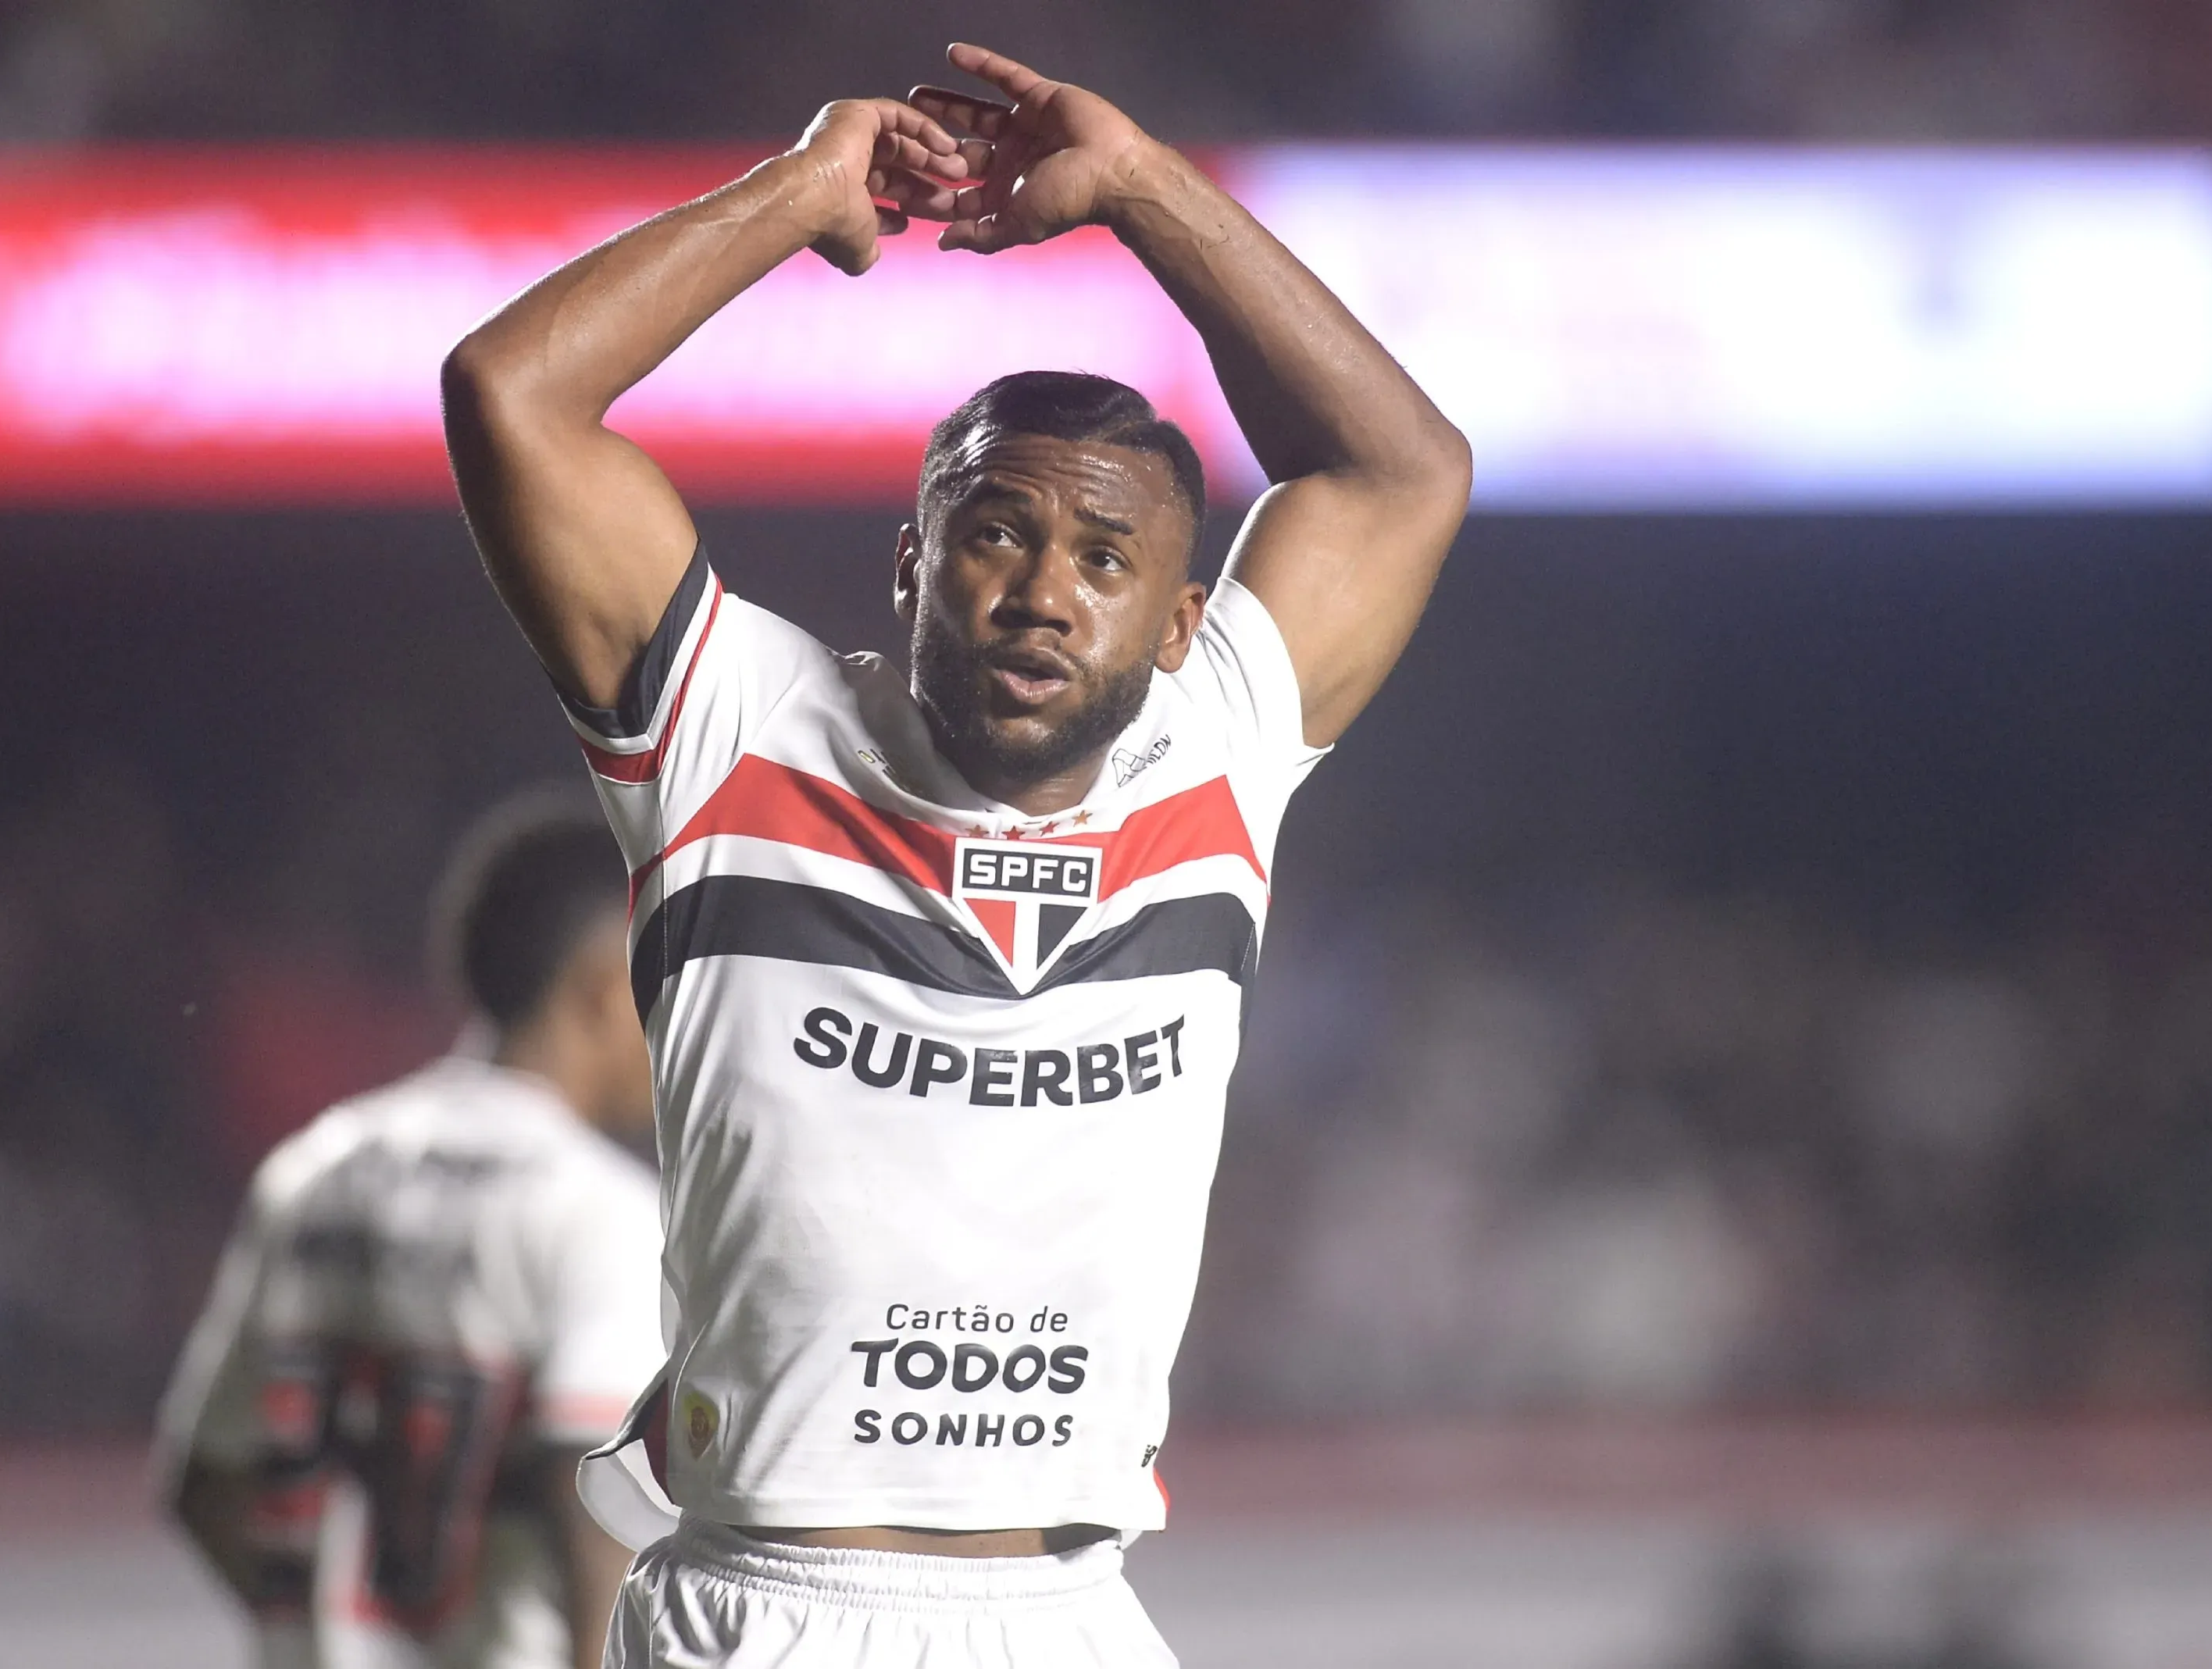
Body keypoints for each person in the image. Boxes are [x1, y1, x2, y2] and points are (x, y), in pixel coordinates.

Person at [441, 40, 1472, 1667]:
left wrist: (1141, 186)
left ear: (1181, 616)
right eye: (997, 532)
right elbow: (509, 393)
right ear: (911, 564)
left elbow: (1404, 470)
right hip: (772, 1607)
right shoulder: (735, 730)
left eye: (1105, 554)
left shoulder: (1217, 746)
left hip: (1070, 1613)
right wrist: (794, 196)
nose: (1043, 588)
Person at [155, 798, 665, 1669]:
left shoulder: (316, 1167)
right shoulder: (594, 1208)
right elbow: (591, 1494)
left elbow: (205, 1482)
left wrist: (343, 1623)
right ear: (595, 983)